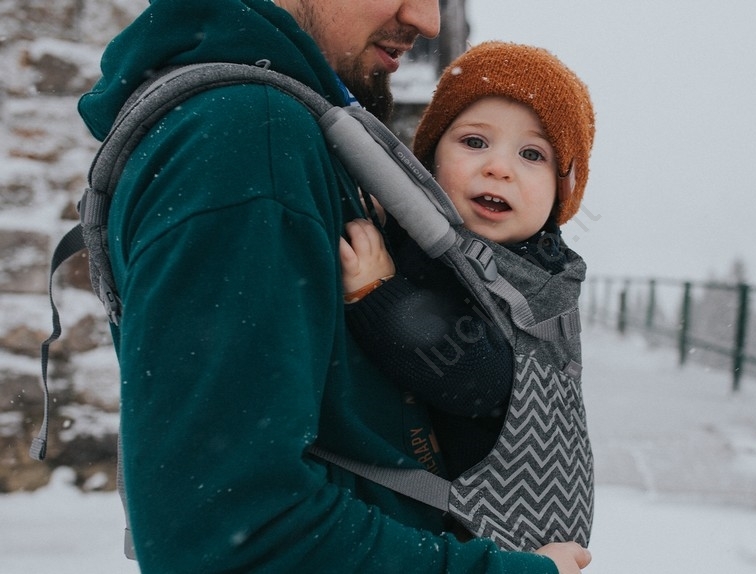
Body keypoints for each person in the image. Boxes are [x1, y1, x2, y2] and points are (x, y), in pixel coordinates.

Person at [76, 0, 590, 572]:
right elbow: (231, 531)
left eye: (532, 155)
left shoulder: (276, 131)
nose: (428, 21)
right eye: (473, 142)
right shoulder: (249, 136)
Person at [339, 40, 595, 542]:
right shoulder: (445, 239)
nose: (499, 167)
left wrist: (378, 293)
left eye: (531, 154)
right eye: (475, 142)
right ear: (429, 159)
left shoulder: (534, 280)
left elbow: (474, 377)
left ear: (560, 193)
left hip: (493, 529)